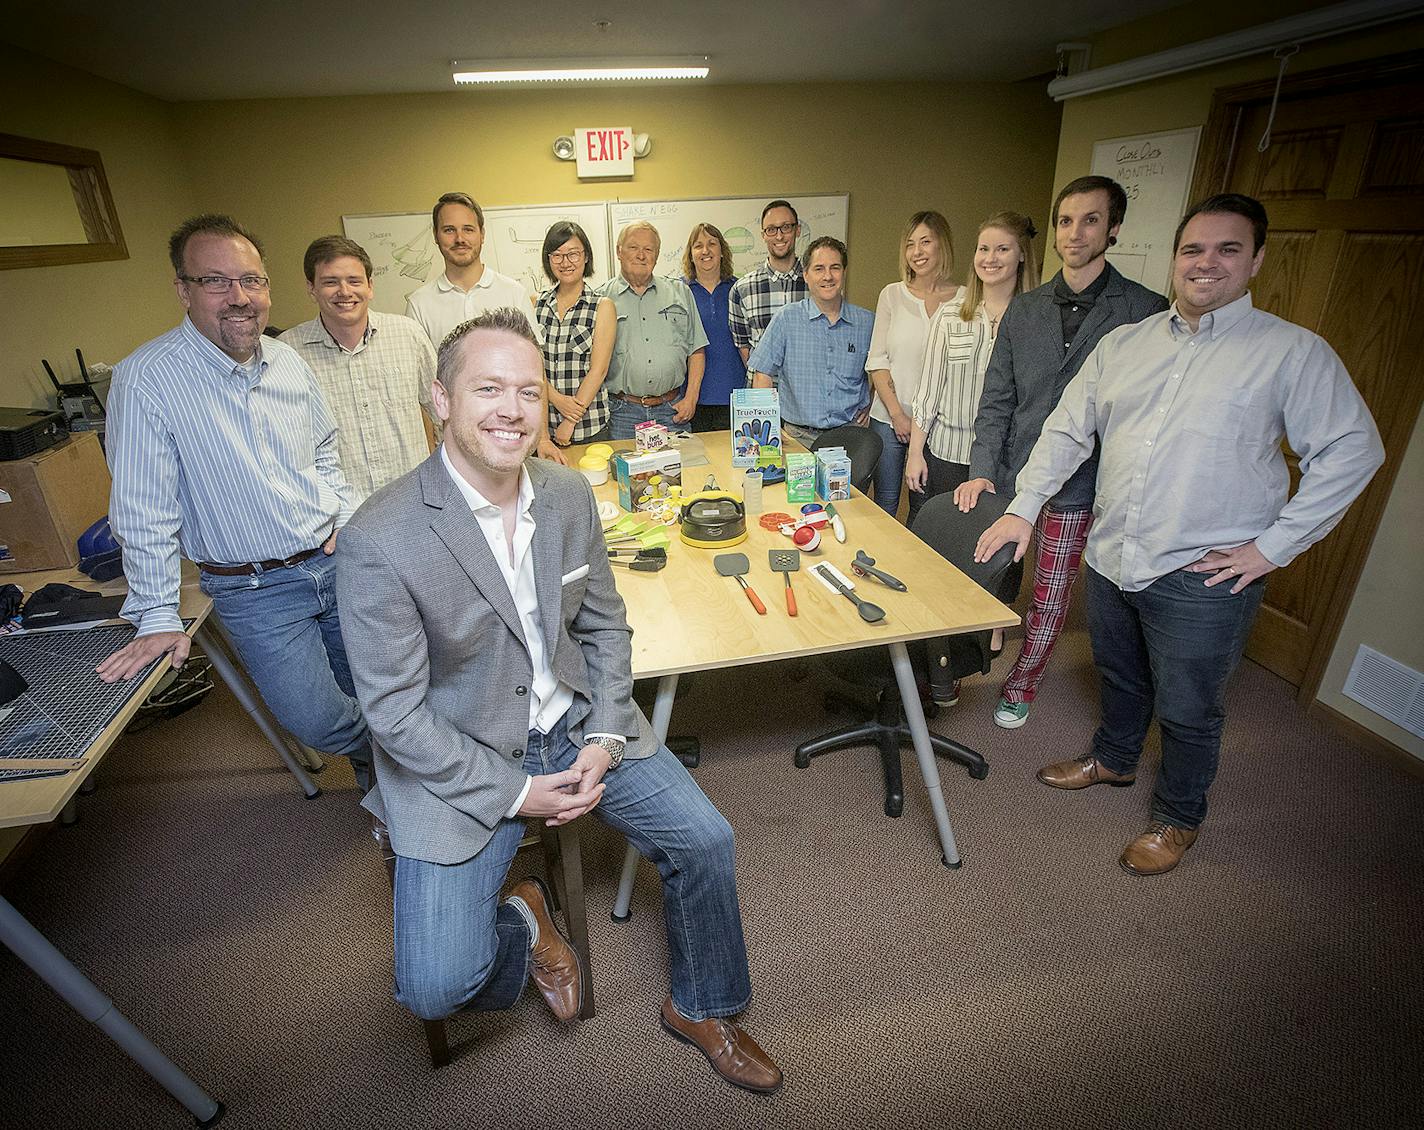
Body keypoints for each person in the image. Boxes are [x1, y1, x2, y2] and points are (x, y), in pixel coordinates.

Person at [333, 308, 783, 1093]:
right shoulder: (382, 537)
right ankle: (529, 915)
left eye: (529, 392)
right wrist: (516, 791)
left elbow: (607, 626)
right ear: (440, 399)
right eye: (488, 389)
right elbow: (395, 716)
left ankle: (702, 1005)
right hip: (464, 751)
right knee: (434, 985)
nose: (512, 408)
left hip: (577, 721)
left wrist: (608, 735)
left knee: (706, 840)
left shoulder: (569, 494)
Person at [976, 193, 1384, 875]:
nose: (1206, 263)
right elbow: (1068, 430)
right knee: (1121, 677)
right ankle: (1113, 759)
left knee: (1190, 709)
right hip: (1114, 558)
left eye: (1228, 249)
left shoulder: (1289, 352)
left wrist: (1272, 548)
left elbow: (1353, 451)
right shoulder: (1126, 344)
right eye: (1193, 249)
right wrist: (1025, 506)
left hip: (1203, 574)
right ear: (1175, 260)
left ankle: (1178, 818)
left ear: (1256, 260)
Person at [98, 214, 372, 788]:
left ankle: (400, 808)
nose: (240, 297)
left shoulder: (288, 361)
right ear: (183, 290)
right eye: (217, 281)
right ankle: (419, 763)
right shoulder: (146, 379)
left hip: (334, 562)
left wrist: (343, 517)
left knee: (372, 688)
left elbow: (325, 451)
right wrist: (155, 610)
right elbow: (144, 510)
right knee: (320, 721)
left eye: (252, 280)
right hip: (255, 589)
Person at [956, 176, 1168, 731]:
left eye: (1091, 220)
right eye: (1066, 221)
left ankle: (1023, 679)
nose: (1076, 233)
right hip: (1012, 470)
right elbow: (995, 398)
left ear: (1114, 228)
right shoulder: (1024, 311)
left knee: (1051, 593)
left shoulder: (1144, 311)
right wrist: (982, 470)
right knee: (993, 570)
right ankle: (967, 657)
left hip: (1083, 483)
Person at [405, 191, 564, 463]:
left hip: (511, 437)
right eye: (449, 230)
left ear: (482, 233)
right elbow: (419, 388)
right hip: (454, 449)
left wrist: (544, 438)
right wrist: (430, 451)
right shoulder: (419, 304)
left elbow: (535, 372)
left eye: (468, 229)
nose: (459, 238)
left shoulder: (513, 293)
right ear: (436, 236)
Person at [280, 235, 437, 506]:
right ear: (311, 288)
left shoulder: (408, 335)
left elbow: (445, 415)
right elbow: (283, 445)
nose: (345, 291)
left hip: (415, 505)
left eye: (354, 281)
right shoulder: (287, 353)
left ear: (370, 286)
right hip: (339, 517)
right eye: (330, 282)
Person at [905, 211, 1040, 508]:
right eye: (983, 249)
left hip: (1005, 464)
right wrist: (915, 453)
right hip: (947, 455)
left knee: (994, 548)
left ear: (1021, 255)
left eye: (1002, 249)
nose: (990, 258)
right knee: (937, 543)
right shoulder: (952, 315)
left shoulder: (1035, 323)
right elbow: (928, 393)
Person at [866, 211, 959, 518]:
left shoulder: (966, 301)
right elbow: (877, 360)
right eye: (910, 244)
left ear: (941, 245)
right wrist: (898, 415)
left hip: (938, 425)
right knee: (885, 506)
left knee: (925, 508)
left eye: (925, 242)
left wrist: (920, 422)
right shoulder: (892, 295)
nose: (917, 252)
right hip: (889, 420)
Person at [748, 236, 873, 448]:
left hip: (851, 438)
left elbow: (883, 370)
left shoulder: (868, 322)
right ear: (806, 274)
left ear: (844, 272)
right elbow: (762, 374)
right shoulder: (787, 319)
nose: (827, 276)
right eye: (818, 269)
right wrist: (768, 432)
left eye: (835, 267)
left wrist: (872, 405)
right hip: (798, 438)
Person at [598, 222, 708, 440]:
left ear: (656, 255)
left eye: (648, 249)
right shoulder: (601, 300)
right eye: (633, 247)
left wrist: (691, 398)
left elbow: (696, 350)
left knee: (680, 473)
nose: (641, 255)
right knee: (627, 475)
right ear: (619, 251)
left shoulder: (680, 293)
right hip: (623, 414)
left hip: (673, 410)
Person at [534, 221, 616, 447]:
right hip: (542, 428)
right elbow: (531, 368)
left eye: (573, 254)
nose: (565, 262)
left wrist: (570, 420)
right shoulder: (535, 305)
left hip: (589, 425)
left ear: (586, 256)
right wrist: (557, 400)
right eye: (557, 255)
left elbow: (598, 371)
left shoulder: (602, 306)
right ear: (548, 259)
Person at [682, 222, 747, 432]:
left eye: (712, 243)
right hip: (692, 400)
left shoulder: (740, 290)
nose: (705, 250)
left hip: (735, 397)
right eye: (698, 245)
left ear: (722, 251)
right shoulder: (679, 292)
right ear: (691, 254)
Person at [728, 200, 807, 364]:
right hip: (762, 387)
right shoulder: (743, 289)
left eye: (786, 227)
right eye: (771, 230)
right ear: (763, 235)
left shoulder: (816, 284)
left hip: (805, 387)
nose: (779, 236)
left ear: (797, 230)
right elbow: (744, 347)